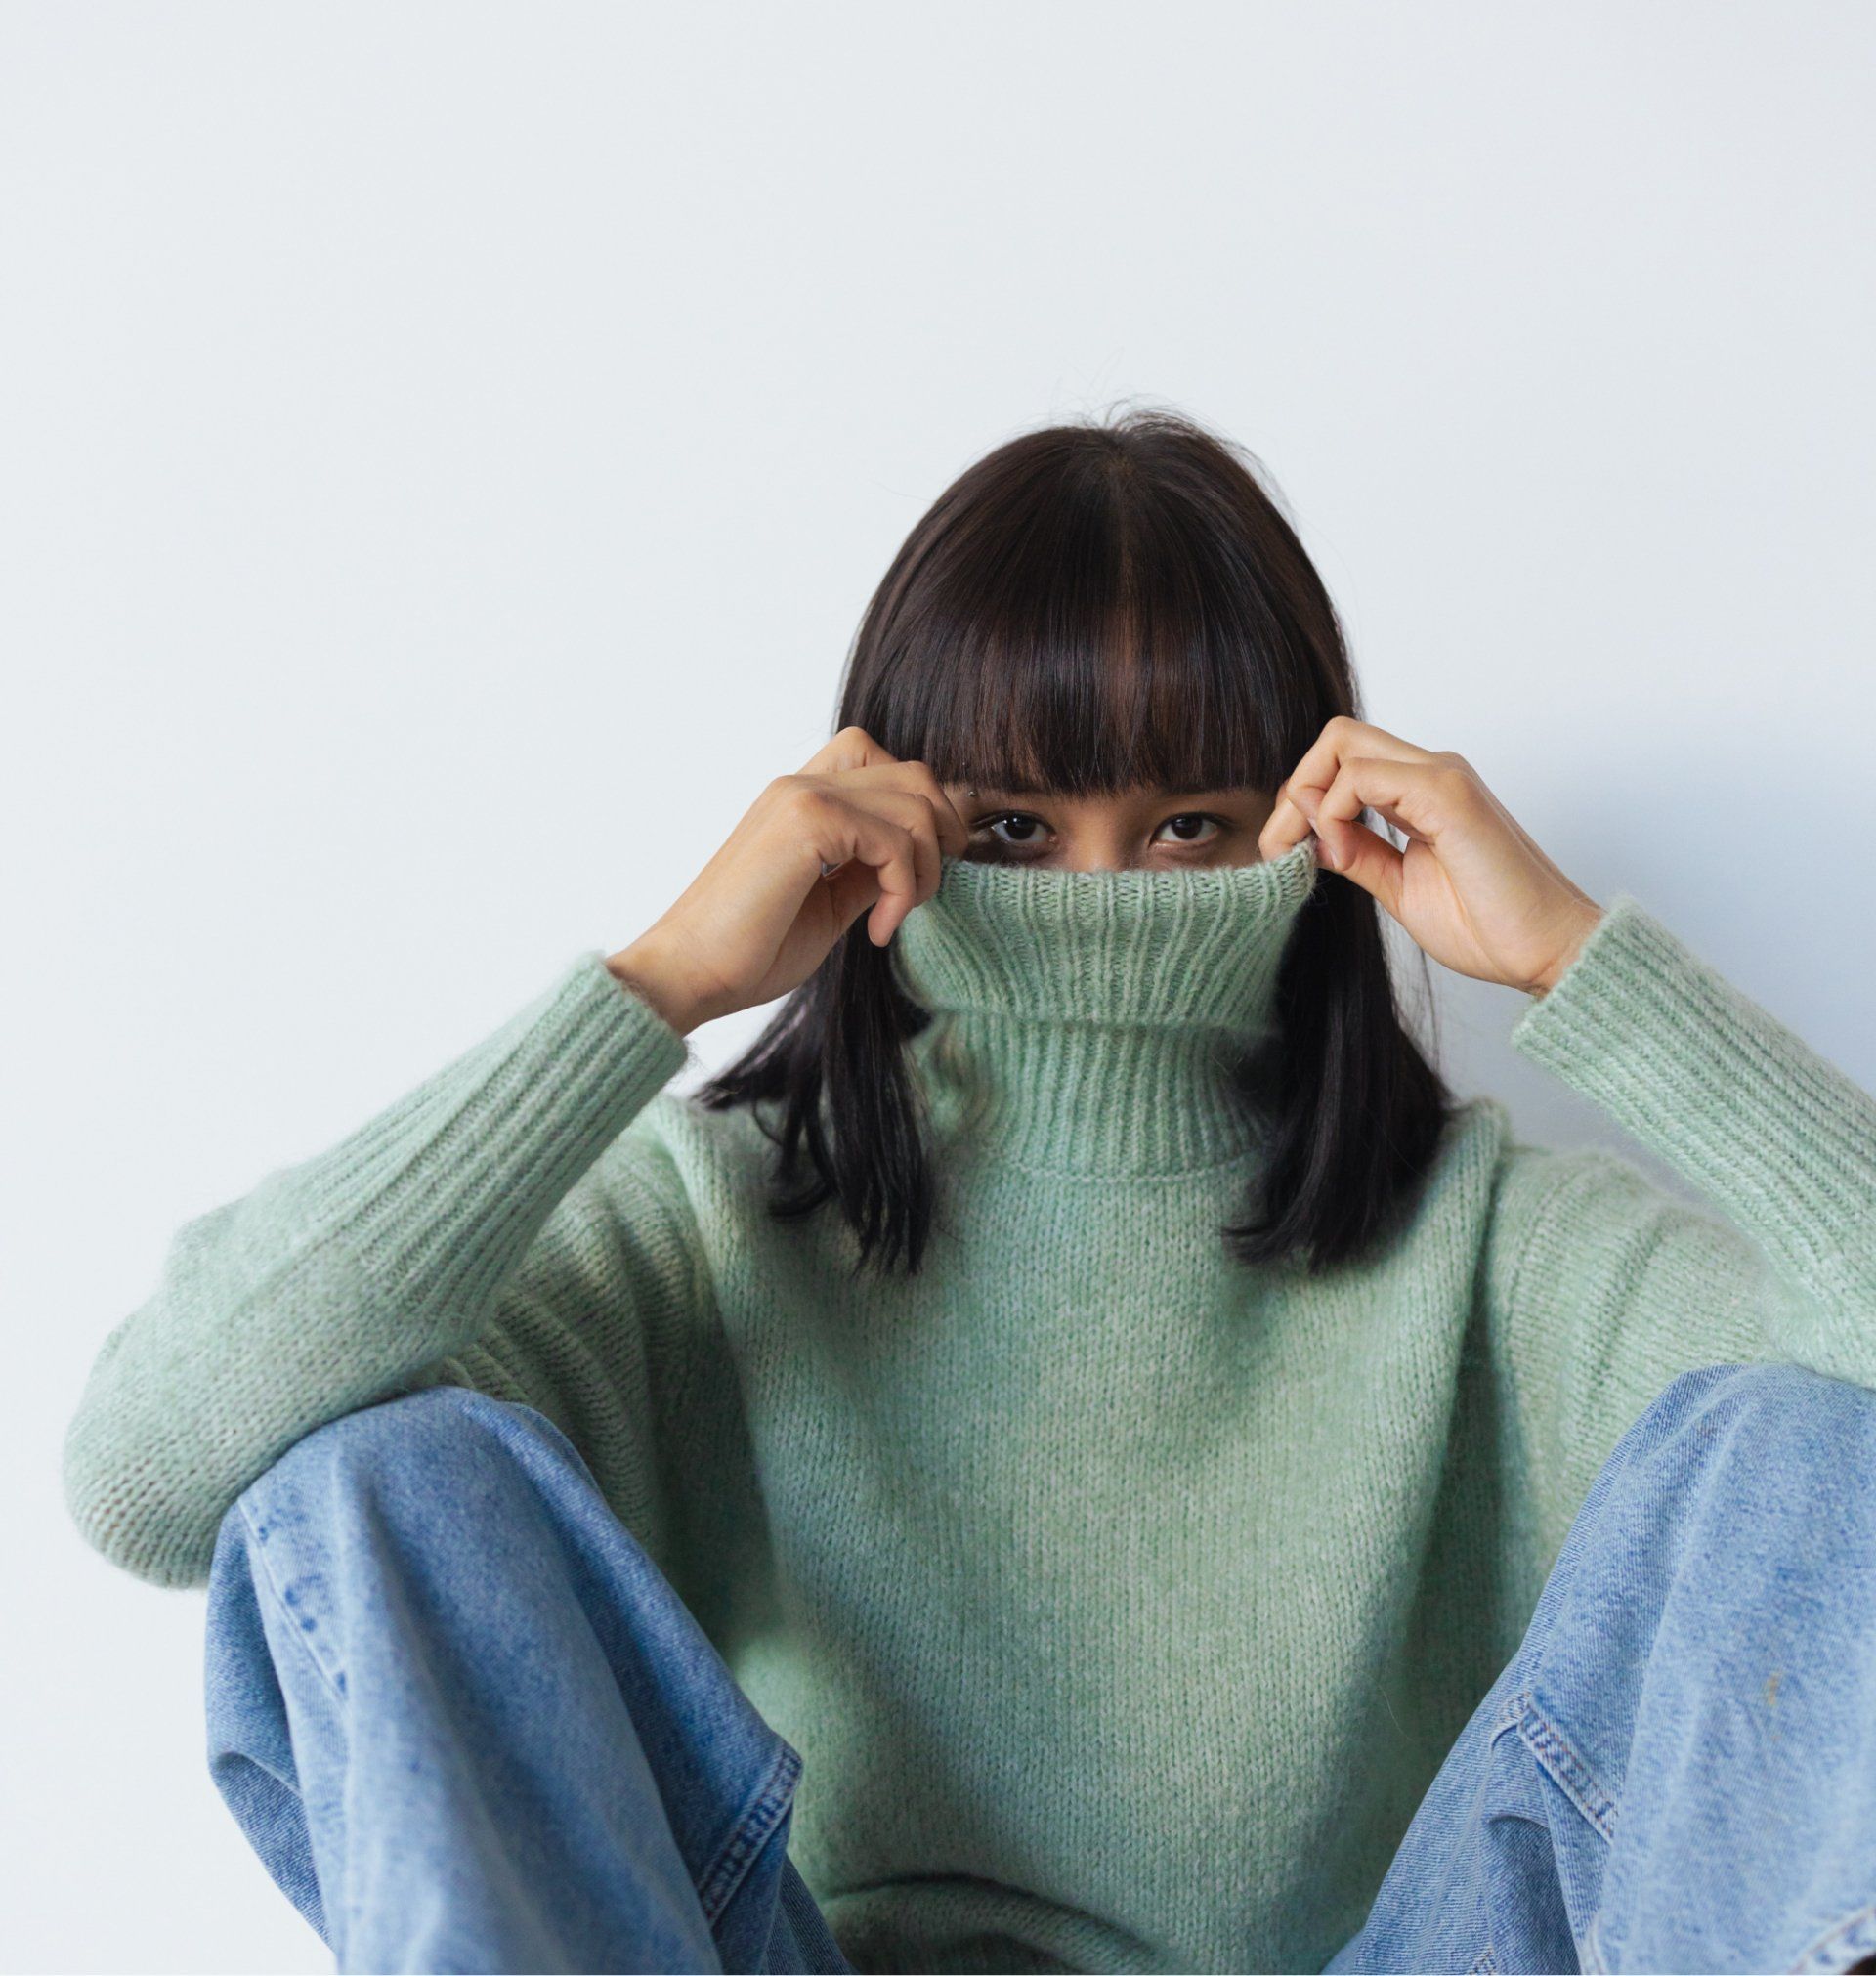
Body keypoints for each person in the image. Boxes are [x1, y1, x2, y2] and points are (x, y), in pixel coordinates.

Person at [64, 408, 1876, 1975]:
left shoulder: (1484, 1242)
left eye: (1182, 827)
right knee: (378, 1472)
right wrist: (658, 989)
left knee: (1808, 1450)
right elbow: (155, 1466)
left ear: (1310, 832)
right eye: (1014, 830)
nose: (1099, 895)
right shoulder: (721, 1222)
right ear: (888, 835)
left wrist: (1571, 961)